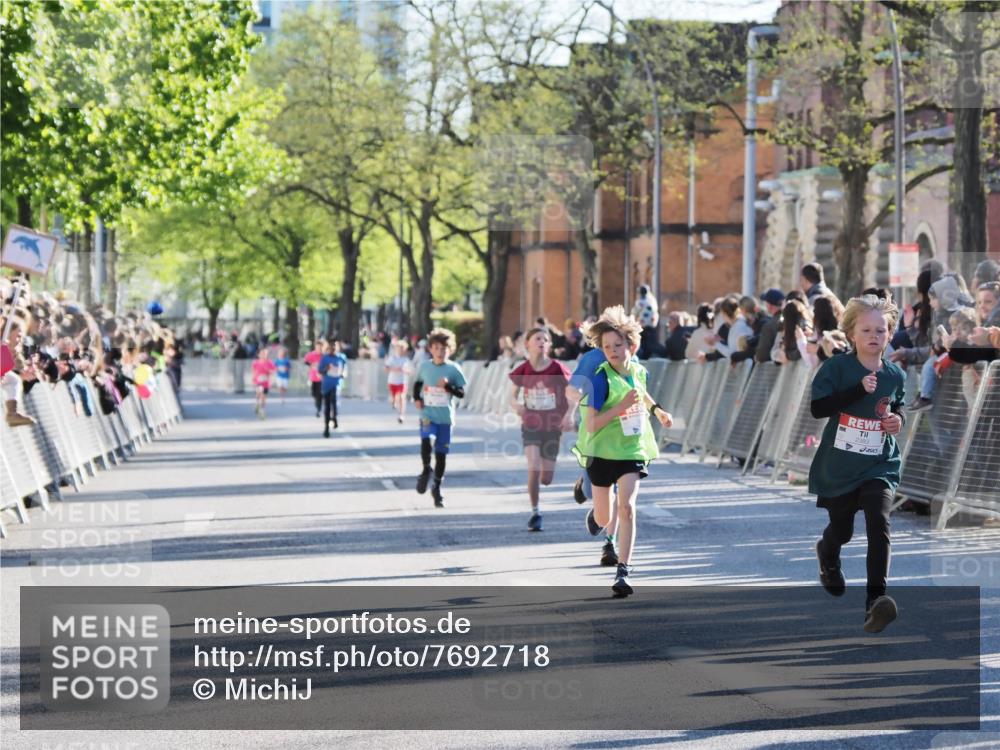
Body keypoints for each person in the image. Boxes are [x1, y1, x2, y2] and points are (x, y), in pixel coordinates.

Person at [809, 293, 906, 633]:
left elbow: (898, 405)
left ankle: (875, 602)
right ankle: (828, 553)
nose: (874, 336)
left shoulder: (895, 374)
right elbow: (818, 408)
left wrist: (898, 420)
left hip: (879, 463)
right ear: (852, 334)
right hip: (840, 466)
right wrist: (857, 391)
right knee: (843, 530)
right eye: (866, 330)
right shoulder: (837, 367)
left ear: (889, 334)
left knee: (879, 522)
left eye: (881, 330)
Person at [572, 306, 673, 598]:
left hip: (631, 449)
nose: (613, 351)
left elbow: (641, 393)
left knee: (627, 507)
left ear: (632, 346)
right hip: (602, 452)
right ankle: (597, 515)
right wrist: (620, 408)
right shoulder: (601, 379)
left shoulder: (639, 371)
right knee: (605, 518)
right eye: (607, 347)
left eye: (618, 345)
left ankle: (623, 571)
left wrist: (658, 411)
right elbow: (591, 424)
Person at [509, 327, 573, 532]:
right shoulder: (523, 369)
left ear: (550, 345)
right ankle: (535, 513)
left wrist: (569, 415)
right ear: (527, 344)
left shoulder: (557, 368)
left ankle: (546, 493)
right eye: (537, 338)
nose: (542, 342)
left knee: (546, 479)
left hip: (553, 426)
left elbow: (572, 394)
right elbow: (511, 396)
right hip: (531, 424)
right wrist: (516, 406)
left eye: (545, 339)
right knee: (533, 466)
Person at [565, 339, 622, 567]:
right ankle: (585, 486)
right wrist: (588, 401)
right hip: (593, 433)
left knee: (617, 490)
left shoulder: (631, 358)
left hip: (620, 435)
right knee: (594, 491)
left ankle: (610, 543)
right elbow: (571, 389)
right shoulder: (592, 358)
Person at [413, 328, 467, 508]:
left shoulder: (453, 369)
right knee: (426, 440)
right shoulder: (425, 367)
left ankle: (436, 487)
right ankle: (426, 469)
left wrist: (448, 387)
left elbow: (461, 393)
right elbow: (417, 384)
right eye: (436, 348)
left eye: (444, 349)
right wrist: (417, 398)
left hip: (445, 418)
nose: (440, 352)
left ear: (450, 350)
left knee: (441, 454)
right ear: (430, 349)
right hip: (427, 414)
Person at [319, 340, 348, 438]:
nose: (333, 349)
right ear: (329, 349)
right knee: (327, 406)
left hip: (337, 384)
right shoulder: (325, 358)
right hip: (327, 384)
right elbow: (320, 371)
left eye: (335, 347)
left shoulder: (341, 358)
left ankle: (334, 417)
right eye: (331, 347)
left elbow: (344, 369)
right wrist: (326, 368)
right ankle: (326, 428)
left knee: (334, 402)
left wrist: (343, 374)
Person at [384, 338, 411, 423]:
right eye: (399, 348)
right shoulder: (392, 358)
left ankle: (401, 415)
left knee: (402, 397)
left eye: (402, 349)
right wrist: (395, 369)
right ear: (396, 349)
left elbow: (409, 371)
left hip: (402, 381)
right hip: (392, 381)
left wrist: (405, 371)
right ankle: (393, 401)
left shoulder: (406, 360)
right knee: (394, 397)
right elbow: (386, 368)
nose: (401, 350)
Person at [630, 285, 660, 359]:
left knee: (642, 347)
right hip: (652, 328)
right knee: (651, 346)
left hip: (642, 327)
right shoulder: (652, 301)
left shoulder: (640, 302)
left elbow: (634, 313)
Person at [251, 347, 277, 419]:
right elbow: (253, 371)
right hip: (258, 381)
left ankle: (262, 409)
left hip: (265, 382)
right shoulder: (256, 363)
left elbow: (274, 370)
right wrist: (253, 379)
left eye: (265, 354)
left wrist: (269, 371)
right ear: (259, 355)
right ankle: (257, 404)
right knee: (258, 394)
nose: (264, 355)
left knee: (263, 396)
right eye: (262, 354)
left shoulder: (269, 363)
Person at [303, 340, 325, 417]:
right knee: (314, 393)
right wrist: (311, 364)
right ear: (315, 347)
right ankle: (318, 404)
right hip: (313, 377)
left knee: (319, 394)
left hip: (321, 378)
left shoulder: (324, 356)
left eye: (320, 348)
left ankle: (318, 409)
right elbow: (305, 361)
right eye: (317, 347)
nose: (319, 349)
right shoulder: (311, 354)